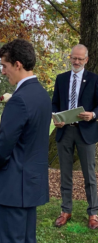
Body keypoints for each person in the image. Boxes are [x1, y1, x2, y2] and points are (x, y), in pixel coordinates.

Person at [0, 38, 52, 243]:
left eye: (5, 66)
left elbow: (4, 145)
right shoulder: (42, 95)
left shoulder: (19, 100)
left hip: (13, 185)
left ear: (18, 64)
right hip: (31, 183)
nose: (3, 71)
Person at [52, 44, 98, 229]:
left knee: (89, 175)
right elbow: (54, 103)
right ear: (69, 58)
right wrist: (55, 117)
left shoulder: (94, 79)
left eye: (80, 59)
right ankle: (65, 210)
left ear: (86, 60)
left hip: (86, 131)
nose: (77, 62)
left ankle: (94, 213)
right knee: (65, 173)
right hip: (65, 131)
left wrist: (93, 115)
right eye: (74, 58)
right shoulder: (61, 79)